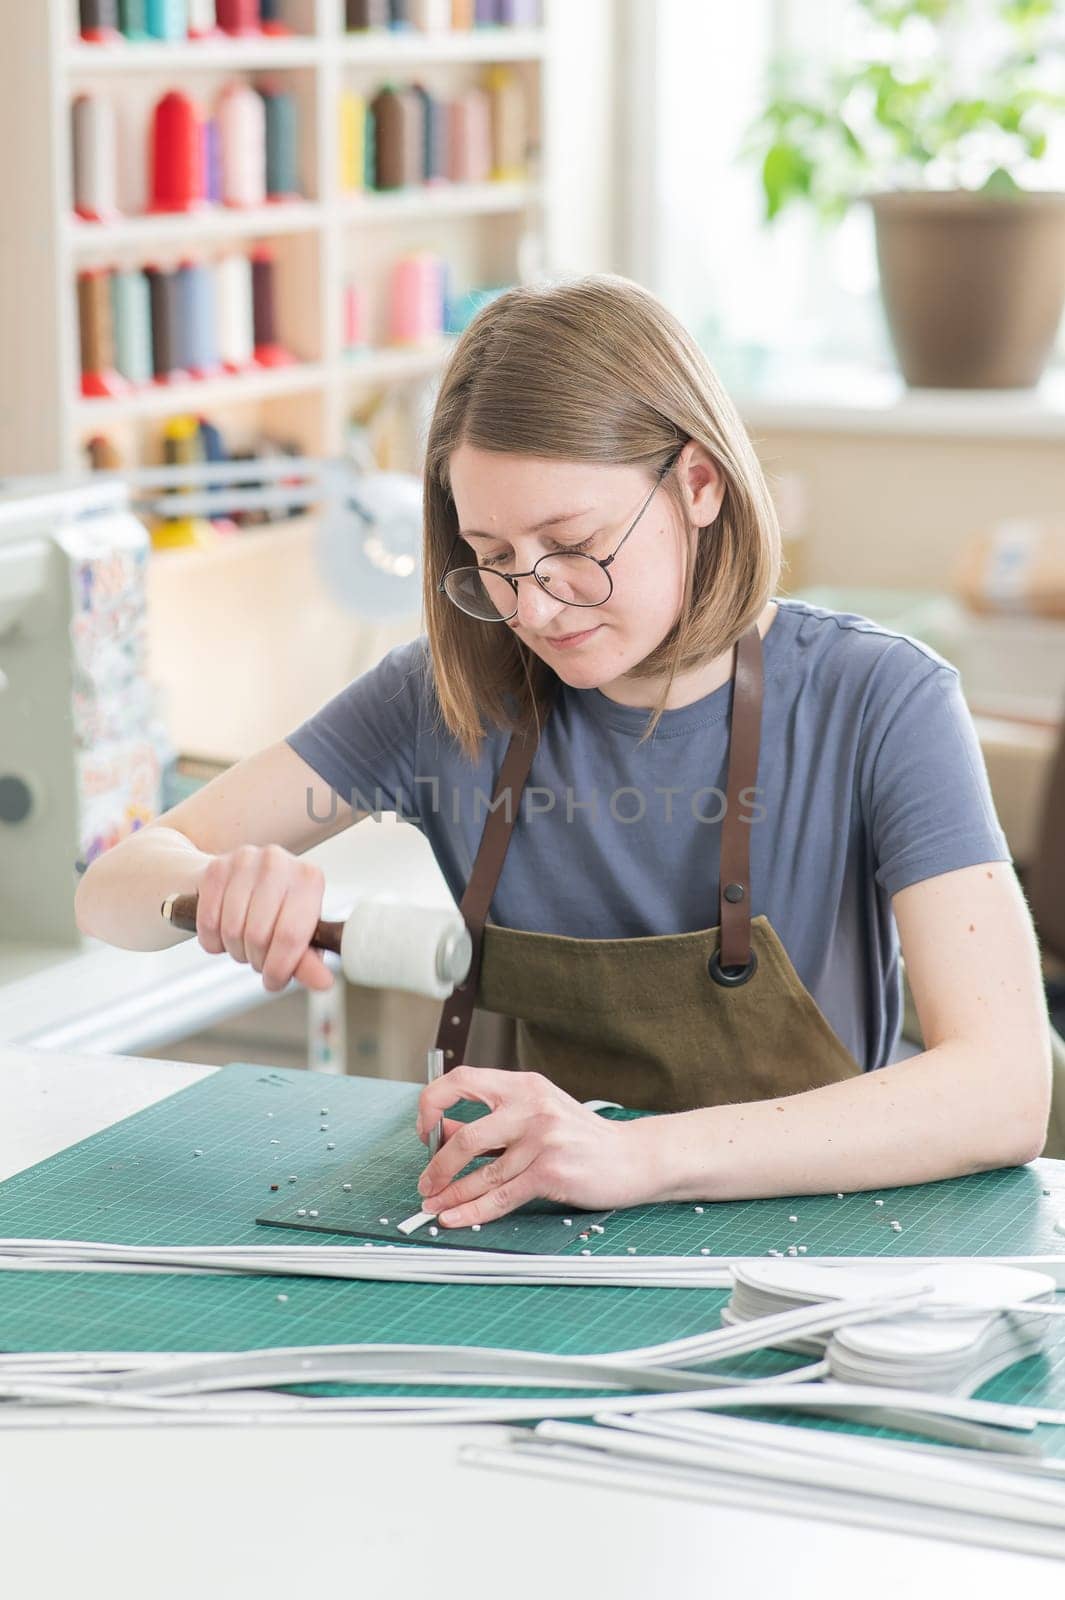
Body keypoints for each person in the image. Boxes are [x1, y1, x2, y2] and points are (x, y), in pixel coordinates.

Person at [76, 274, 1052, 1229]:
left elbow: (1007, 1089)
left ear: (699, 483)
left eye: (572, 542)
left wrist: (633, 1158)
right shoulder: (444, 699)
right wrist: (206, 890)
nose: (532, 606)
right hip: (529, 1245)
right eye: (492, 558)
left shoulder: (881, 701)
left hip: (818, 1247)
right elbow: (114, 884)